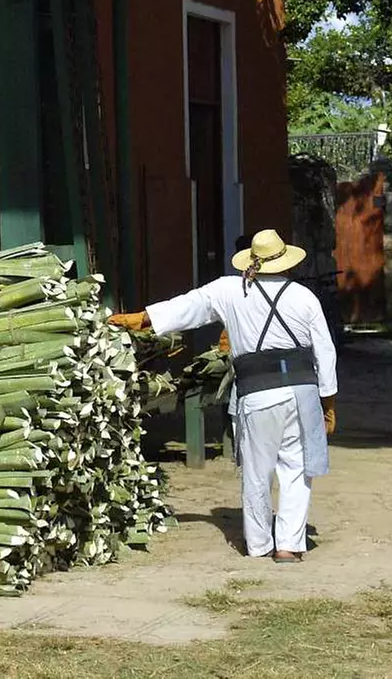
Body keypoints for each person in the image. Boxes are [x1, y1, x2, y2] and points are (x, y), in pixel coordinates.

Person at [109, 229, 337, 562]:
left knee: (257, 472)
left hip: (258, 394)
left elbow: (186, 307)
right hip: (301, 393)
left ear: (252, 261)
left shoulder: (230, 290)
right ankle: (288, 545)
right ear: (286, 262)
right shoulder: (304, 297)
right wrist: (328, 403)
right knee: (296, 470)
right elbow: (325, 353)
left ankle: (258, 545)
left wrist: (141, 318)